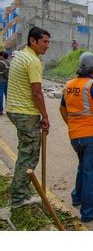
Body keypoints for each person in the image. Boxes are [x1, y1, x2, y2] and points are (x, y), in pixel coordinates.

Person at [59, 51, 93, 222]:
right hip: (92, 136)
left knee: (83, 167)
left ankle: (77, 197)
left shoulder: (69, 85)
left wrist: (72, 125)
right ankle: (89, 211)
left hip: (75, 136)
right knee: (91, 172)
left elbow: (62, 109)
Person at [6, 27, 51, 208]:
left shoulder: (21, 56)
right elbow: (37, 93)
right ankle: (19, 198)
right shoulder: (33, 61)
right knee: (28, 156)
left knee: (25, 152)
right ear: (33, 40)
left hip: (15, 110)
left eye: (48, 42)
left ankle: (21, 190)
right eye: (44, 42)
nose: (47, 46)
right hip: (25, 113)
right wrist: (45, 116)